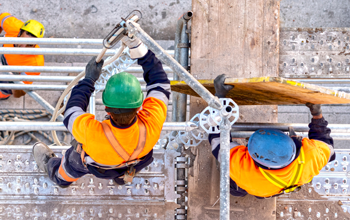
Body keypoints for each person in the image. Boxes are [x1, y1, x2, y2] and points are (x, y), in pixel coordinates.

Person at [32, 34, 171, 187]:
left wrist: (89, 80)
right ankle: (122, 178)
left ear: (107, 109)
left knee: (73, 163)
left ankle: (60, 178)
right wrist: (143, 54)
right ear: (139, 106)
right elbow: (160, 84)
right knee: (130, 164)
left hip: (98, 166)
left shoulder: (92, 134)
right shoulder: (152, 123)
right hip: (133, 161)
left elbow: (71, 111)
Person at [209, 74, 335, 198]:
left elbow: (218, 141)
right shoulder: (311, 156)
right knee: (260, 192)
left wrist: (219, 100)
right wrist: (316, 113)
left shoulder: (245, 172)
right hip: (270, 189)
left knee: (236, 188)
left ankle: (239, 191)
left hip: (259, 187)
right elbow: (325, 143)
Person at [0, 12, 45, 100]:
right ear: (19, 33)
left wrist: (13, 79)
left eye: (29, 45)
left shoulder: (35, 63)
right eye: (22, 41)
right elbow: (2, 17)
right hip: (3, 56)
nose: (23, 48)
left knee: (3, 91)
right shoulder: (14, 26)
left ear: (35, 44)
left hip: (10, 77)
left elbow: (19, 94)